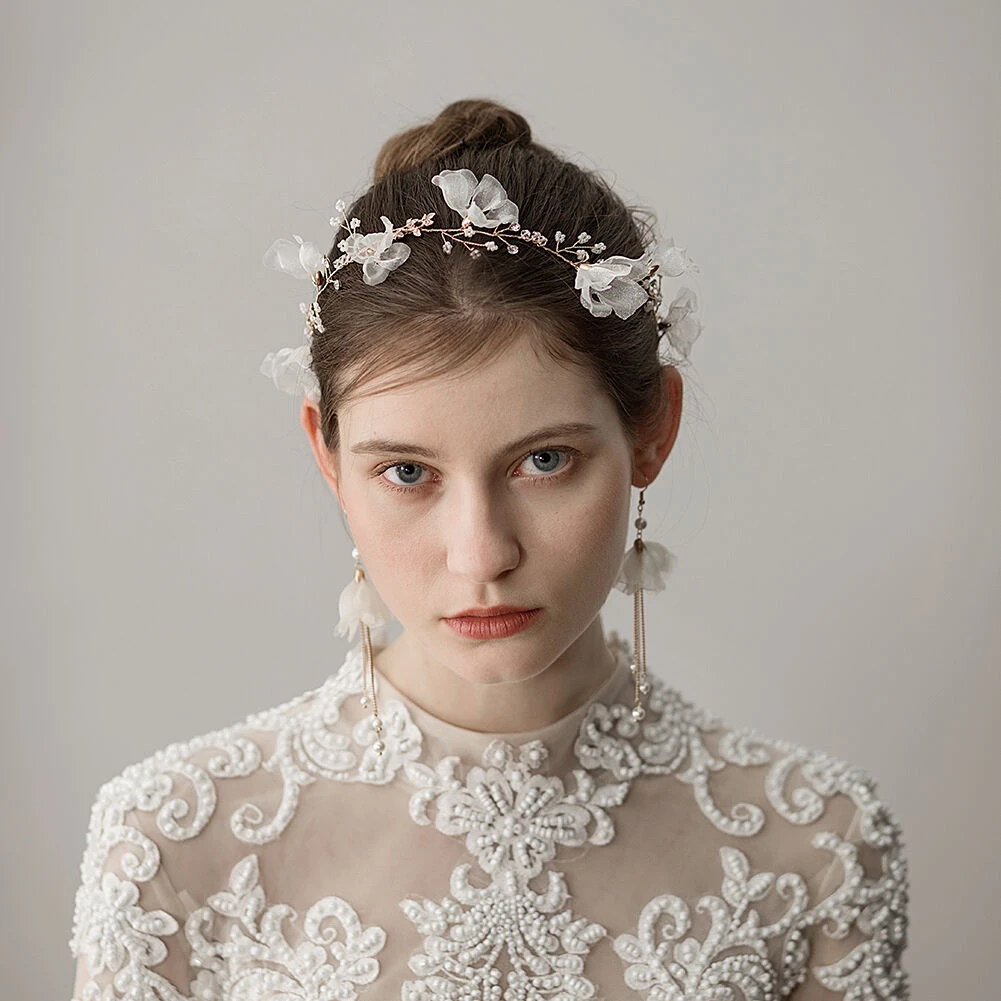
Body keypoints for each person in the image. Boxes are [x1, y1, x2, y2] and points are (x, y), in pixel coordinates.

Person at [67, 99, 910, 1000]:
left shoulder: (817, 845)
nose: (481, 555)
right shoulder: (172, 844)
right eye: (405, 472)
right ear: (326, 453)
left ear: (652, 430)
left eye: (544, 460)